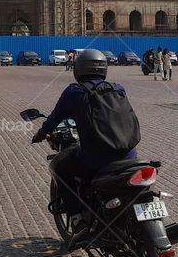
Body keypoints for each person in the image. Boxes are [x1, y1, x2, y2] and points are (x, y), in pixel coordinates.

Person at [30, 49, 140, 240]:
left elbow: (54, 119)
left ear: (78, 69)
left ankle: (77, 219)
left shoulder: (75, 91)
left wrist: (41, 134)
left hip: (95, 159)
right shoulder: (118, 88)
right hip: (130, 155)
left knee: (59, 168)